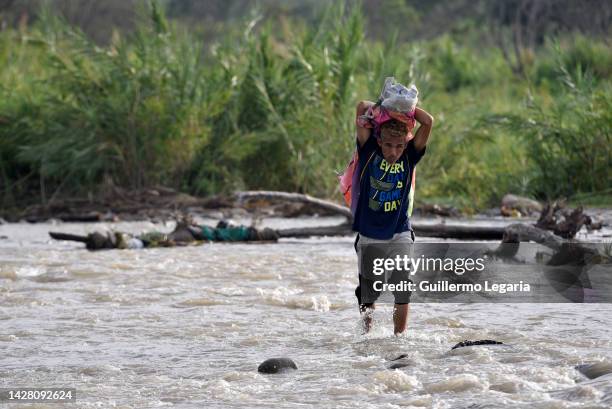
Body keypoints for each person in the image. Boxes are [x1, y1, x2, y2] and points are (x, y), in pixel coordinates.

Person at [353, 98, 433, 335]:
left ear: (406, 143)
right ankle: (366, 336)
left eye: (399, 146)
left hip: (400, 231)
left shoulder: (410, 155)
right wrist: (386, 106)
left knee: (402, 286)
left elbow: (428, 122)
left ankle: (399, 339)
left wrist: (406, 109)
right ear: (379, 140)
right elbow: (360, 107)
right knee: (369, 292)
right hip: (369, 233)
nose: (393, 152)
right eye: (388, 145)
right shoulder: (368, 150)